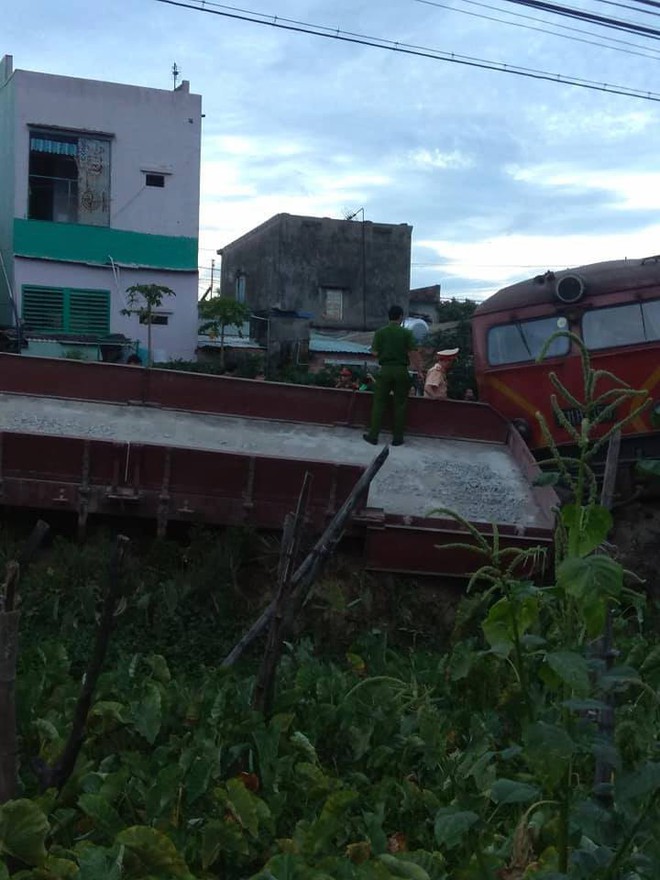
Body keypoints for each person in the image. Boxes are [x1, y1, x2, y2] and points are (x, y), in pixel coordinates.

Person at [363, 305, 423, 447]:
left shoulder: (380, 333)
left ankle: (373, 436)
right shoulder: (407, 333)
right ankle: (397, 438)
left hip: (385, 370)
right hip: (401, 371)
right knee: (400, 404)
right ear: (400, 317)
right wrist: (420, 370)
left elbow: (375, 353)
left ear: (388, 316)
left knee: (379, 403)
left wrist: (385, 351)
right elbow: (413, 353)